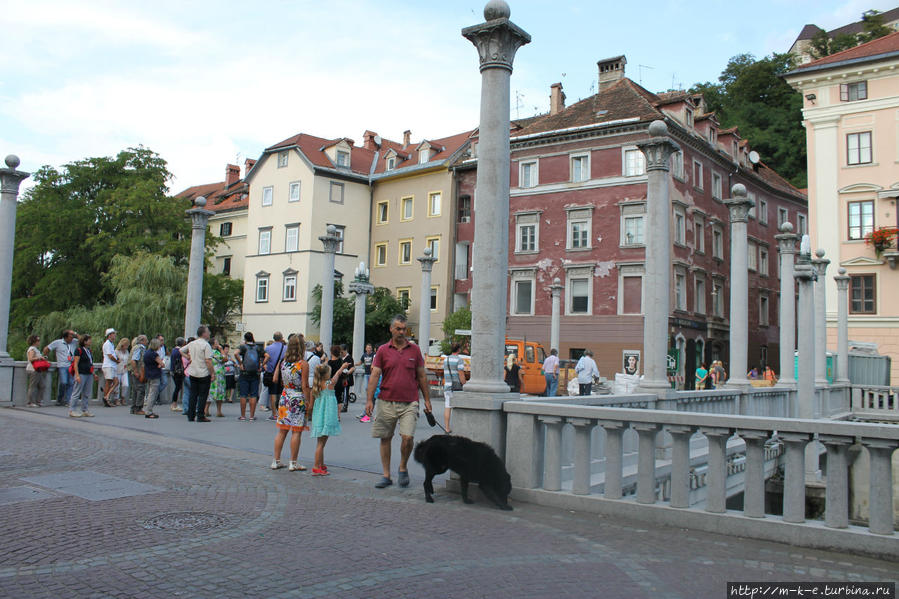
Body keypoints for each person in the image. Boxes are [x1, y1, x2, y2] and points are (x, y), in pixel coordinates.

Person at [365, 314, 432, 489]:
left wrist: (427, 400)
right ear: (391, 329)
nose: (402, 332)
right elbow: (375, 375)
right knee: (385, 438)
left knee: (407, 437)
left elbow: (422, 376)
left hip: (409, 402)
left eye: (404, 329)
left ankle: (403, 466)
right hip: (386, 400)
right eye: (398, 329)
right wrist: (369, 400)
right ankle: (386, 475)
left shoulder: (414, 350)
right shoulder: (382, 350)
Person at [272, 335, 311, 472]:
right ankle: (293, 462)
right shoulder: (302, 364)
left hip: (285, 396)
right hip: (297, 397)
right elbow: (305, 385)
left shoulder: (284, 362)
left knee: (282, 430)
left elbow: (281, 381)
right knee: (296, 431)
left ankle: (276, 461)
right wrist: (308, 401)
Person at [309, 361, 347, 475]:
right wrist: (342, 367)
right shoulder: (329, 384)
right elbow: (337, 375)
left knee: (320, 443)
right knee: (321, 444)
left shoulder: (316, 386)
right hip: (327, 416)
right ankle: (316, 466)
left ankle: (320, 464)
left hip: (318, 417)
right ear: (326, 375)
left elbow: (311, 405)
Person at [185, 325, 214, 422]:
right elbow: (208, 361)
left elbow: (181, 350)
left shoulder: (192, 343)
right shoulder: (206, 345)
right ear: (204, 333)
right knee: (202, 395)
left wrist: (189, 357)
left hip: (193, 371)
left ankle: (190, 415)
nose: (209, 333)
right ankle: (200, 415)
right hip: (203, 372)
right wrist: (212, 373)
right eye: (208, 332)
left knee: (193, 394)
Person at [44, 329, 77, 406]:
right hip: (62, 365)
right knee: (64, 382)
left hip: (71, 365)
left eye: (72, 336)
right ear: (65, 337)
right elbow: (47, 348)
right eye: (70, 336)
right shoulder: (58, 342)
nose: (72, 338)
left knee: (71, 383)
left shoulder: (74, 342)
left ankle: (68, 401)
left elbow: (83, 339)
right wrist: (45, 357)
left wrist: (75, 333)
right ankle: (60, 399)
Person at [69, 334, 96, 418]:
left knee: (87, 393)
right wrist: (77, 375)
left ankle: (84, 409)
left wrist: (94, 373)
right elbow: (75, 363)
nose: (90, 341)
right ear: (84, 341)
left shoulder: (89, 351)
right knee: (76, 392)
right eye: (89, 340)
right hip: (81, 373)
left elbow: (90, 363)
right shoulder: (79, 350)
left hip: (89, 374)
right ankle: (72, 410)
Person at [442, 343, 467, 433]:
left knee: (448, 406)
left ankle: (447, 428)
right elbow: (461, 374)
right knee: (458, 407)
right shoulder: (459, 360)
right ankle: (458, 427)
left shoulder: (446, 360)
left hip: (447, 386)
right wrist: (464, 384)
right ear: (459, 349)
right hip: (456, 388)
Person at [236, 332, 260, 421]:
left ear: (245, 339)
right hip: (254, 373)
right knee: (253, 395)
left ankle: (243, 416)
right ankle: (251, 416)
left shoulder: (243, 347)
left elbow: (235, 353)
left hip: (244, 372)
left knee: (243, 394)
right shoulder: (257, 347)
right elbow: (267, 356)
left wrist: (240, 363)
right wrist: (261, 366)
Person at [262, 332, 286, 420]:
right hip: (282, 374)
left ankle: (274, 414)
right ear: (281, 338)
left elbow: (264, 359)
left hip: (271, 373)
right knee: (281, 394)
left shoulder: (268, 348)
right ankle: (281, 413)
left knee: (272, 393)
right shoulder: (285, 348)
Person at [141, 338, 164, 419]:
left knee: (149, 392)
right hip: (155, 374)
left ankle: (147, 409)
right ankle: (149, 411)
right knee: (153, 393)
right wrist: (160, 365)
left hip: (148, 374)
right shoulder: (154, 354)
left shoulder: (147, 353)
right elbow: (162, 364)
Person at [25, 334, 48, 407]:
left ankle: (39, 401)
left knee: (42, 385)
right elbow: (31, 359)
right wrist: (40, 358)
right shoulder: (32, 349)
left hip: (38, 369)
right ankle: (30, 402)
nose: (39, 342)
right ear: (34, 341)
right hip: (33, 369)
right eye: (38, 340)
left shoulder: (35, 349)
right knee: (33, 386)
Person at [206, 338, 226, 418]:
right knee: (219, 392)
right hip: (218, 374)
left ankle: (206, 409)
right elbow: (225, 359)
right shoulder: (216, 352)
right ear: (213, 344)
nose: (218, 344)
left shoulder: (208, 352)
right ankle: (218, 411)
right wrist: (221, 350)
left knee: (209, 391)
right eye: (217, 342)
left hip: (210, 372)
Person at [101, 328, 119, 407]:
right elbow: (110, 355)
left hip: (112, 366)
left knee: (116, 382)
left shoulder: (111, 344)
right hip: (109, 365)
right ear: (110, 335)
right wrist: (117, 361)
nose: (115, 335)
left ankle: (106, 396)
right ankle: (106, 398)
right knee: (109, 382)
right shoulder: (107, 344)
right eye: (114, 334)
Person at [129, 335, 148, 414]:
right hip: (139, 372)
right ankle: (138, 408)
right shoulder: (139, 348)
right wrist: (136, 371)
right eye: (146, 340)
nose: (147, 341)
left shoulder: (135, 347)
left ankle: (133, 408)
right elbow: (134, 360)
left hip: (136, 371)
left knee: (135, 390)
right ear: (142, 341)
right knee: (140, 389)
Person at [170, 338, 186, 412]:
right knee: (177, 387)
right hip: (178, 372)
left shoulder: (173, 350)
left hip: (174, 371)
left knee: (177, 387)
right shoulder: (179, 352)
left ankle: (174, 403)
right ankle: (174, 404)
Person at [339, 344, 355, 412]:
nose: (341, 353)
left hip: (347, 378)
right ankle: (342, 404)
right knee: (342, 392)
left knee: (346, 391)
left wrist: (347, 373)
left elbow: (352, 368)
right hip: (341, 377)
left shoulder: (349, 358)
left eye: (342, 352)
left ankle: (345, 406)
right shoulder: (340, 358)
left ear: (345, 351)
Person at [115, 337, 131, 406]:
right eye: (126, 345)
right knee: (117, 385)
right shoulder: (116, 351)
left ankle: (123, 397)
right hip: (117, 369)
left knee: (125, 384)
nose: (126, 347)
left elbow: (128, 360)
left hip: (124, 370)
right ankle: (116, 399)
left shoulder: (127, 352)